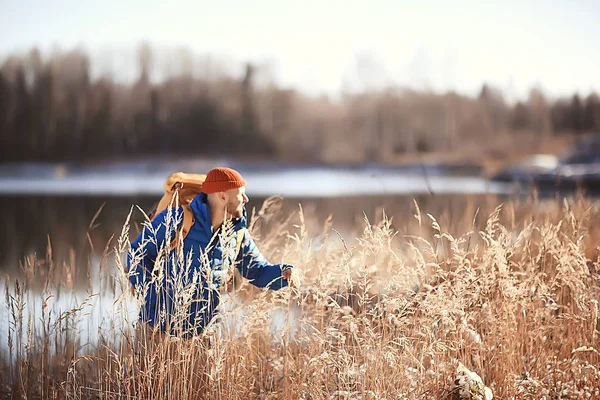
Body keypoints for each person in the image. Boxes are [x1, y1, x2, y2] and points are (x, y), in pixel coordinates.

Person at [127, 167, 293, 337]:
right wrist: (152, 296)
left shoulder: (236, 233)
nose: (246, 199)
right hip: (158, 329)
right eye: (240, 194)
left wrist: (283, 274)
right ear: (222, 195)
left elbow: (257, 270)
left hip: (204, 334)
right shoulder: (177, 219)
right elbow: (137, 255)